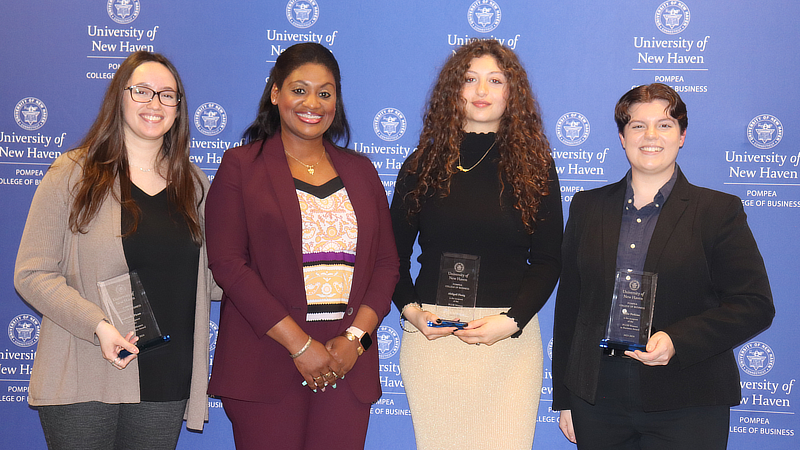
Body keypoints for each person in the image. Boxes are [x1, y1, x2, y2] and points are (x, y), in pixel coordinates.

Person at [14, 51, 219, 449]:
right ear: (118, 97)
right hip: (87, 368)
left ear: (179, 109)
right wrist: (98, 326)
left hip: (166, 376)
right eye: (141, 91)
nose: (154, 103)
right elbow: (32, 274)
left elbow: (214, 278)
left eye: (167, 95)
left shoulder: (194, 185)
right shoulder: (72, 173)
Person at [552, 83, 775, 450]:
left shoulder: (718, 211)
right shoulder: (587, 207)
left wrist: (676, 340)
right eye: (638, 126)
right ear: (623, 137)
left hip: (688, 398)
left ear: (682, 136)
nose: (651, 136)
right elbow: (570, 308)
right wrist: (564, 398)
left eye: (665, 125)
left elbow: (754, 304)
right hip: (596, 400)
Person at [204, 42, 399, 450]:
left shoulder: (361, 172)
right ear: (275, 94)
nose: (313, 103)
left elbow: (386, 265)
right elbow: (227, 264)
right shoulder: (240, 166)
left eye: (325, 93)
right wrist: (300, 344)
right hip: (266, 359)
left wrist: (355, 340)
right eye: (299, 89)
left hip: (346, 364)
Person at [391, 39, 562, 450]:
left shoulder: (536, 166)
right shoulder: (421, 164)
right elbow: (390, 258)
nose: (482, 91)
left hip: (508, 343)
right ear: (454, 91)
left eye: (495, 80)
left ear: (512, 93)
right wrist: (413, 314)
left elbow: (548, 261)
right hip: (434, 342)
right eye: (470, 80)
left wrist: (512, 320)